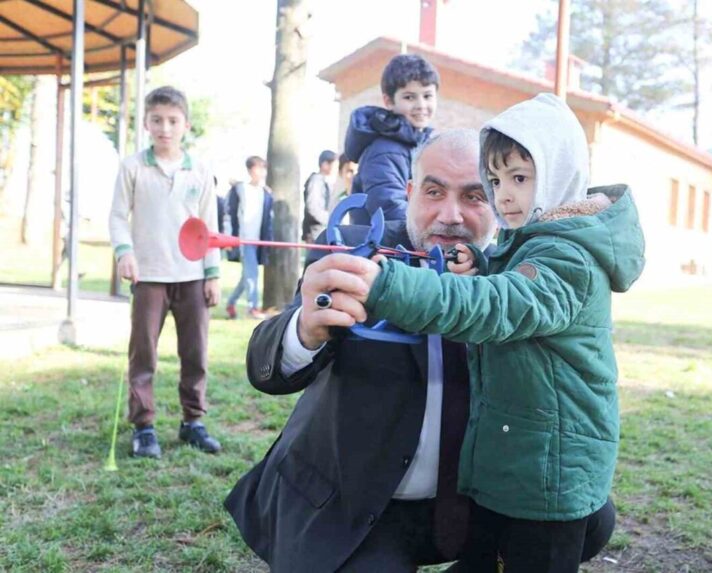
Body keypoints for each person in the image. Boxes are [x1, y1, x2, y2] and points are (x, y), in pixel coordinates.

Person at [331, 93, 643, 572]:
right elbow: (509, 282)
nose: (505, 195)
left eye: (520, 178)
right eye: (495, 181)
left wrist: (387, 285)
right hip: (517, 464)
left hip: (550, 475)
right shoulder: (534, 242)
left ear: (558, 172)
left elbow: (498, 305)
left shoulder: (569, 257)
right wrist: (480, 263)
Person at [226, 130, 503, 572]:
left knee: (588, 520)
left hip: (465, 507)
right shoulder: (355, 249)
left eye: (474, 196)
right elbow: (269, 367)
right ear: (410, 194)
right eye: (434, 192)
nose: (450, 215)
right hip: (354, 507)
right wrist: (306, 329)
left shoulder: (511, 275)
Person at [108, 85, 222, 459]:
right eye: (157, 120)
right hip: (149, 276)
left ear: (186, 125)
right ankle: (144, 427)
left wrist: (212, 274)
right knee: (143, 354)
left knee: (195, 353)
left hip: (192, 276)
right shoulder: (133, 167)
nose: (165, 128)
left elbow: (209, 226)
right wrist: (125, 253)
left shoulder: (200, 171)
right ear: (146, 123)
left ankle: (193, 421)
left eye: (173, 121)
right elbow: (117, 216)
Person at [345, 54, 438, 225]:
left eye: (427, 96)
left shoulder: (419, 145)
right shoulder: (384, 151)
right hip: (384, 241)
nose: (421, 105)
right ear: (389, 101)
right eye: (409, 97)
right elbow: (391, 210)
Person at [225, 156, 274, 320]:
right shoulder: (240, 189)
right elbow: (230, 213)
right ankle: (252, 307)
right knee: (252, 274)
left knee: (247, 275)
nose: (260, 172)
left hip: (257, 240)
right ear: (250, 170)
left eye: (263, 168)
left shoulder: (265, 193)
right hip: (243, 240)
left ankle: (231, 303)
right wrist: (230, 238)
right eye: (257, 168)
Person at [302, 150, 336, 243]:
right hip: (316, 232)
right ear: (325, 164)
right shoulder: (316, 181)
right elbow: (313, 207)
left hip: (321, 231)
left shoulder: (324, 182)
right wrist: (330, 220)